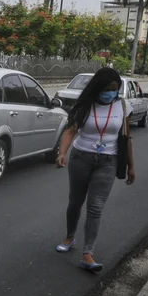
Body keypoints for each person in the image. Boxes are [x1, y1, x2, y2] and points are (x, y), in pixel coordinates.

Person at [55, 67, 136, 273]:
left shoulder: (122, 106)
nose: (111, 93)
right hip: (81, 158)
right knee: (75, 202)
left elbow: (126, 138)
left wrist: (131, 166)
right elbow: (70, 130)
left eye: (115, 89)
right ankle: (70, 236)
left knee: (96, 206)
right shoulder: (84, 105)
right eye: (107, 89)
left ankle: (87, 254)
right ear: (98, 88)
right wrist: (62, 152)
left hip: (108, 161)